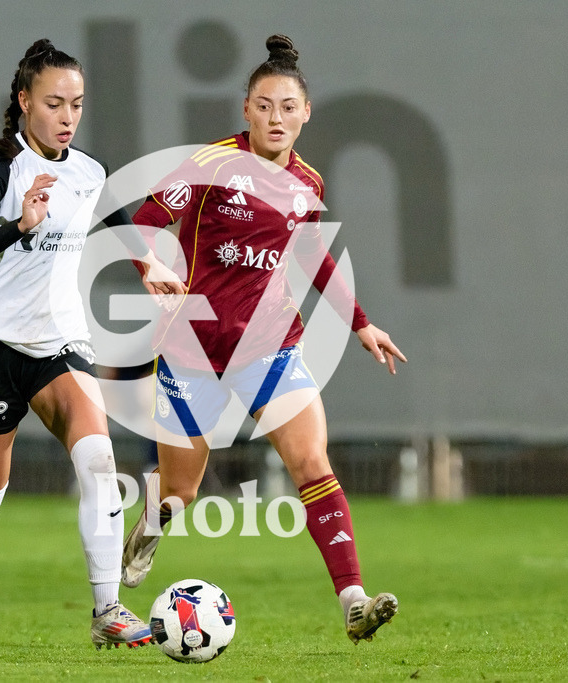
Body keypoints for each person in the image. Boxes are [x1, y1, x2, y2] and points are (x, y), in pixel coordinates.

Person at [121, 34, 407, 645]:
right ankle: (152, 519)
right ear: (245, 111)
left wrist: (360, 323)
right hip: (191, 348)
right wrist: (151, 266)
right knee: (181, 491)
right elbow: (141, 223)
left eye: (288, 107)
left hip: (270, 347)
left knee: (311, 463)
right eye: (264, 106)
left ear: (306, 114)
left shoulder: (308, 184)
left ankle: (353, 599)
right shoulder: (207, 166)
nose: (276, 118)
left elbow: (314, 262)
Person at [0, 38, 181, 658]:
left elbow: (115, 213)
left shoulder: (88, 168)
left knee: (99, 464)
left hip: (60, 345)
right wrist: (20, 225)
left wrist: (148, 262)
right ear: (24, 102)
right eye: (54, 103)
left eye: (76, 103)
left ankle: (106, 610)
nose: (68, 116)